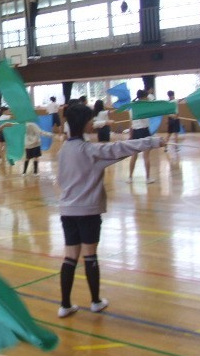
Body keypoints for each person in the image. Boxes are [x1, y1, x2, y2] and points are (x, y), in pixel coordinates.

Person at [56, 104, 163, 318]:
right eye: (90, 120)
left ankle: (65, 305)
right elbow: (118, 149)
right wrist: (153, 142)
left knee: (70, 257)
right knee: (89, 256)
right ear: (84, 123)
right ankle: (95, 301)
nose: (93, 123)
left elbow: (115, 153)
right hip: (88, 212)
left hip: (67, 212)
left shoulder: (63, 151)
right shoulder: (91, 151)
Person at [127, 90, 155, 184]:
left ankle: (130, 177)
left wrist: (130, 135)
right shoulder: (145, 107)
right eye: (146, 97)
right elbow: (151, 99)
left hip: (135, 132)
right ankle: (147, 178)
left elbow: (130, 123)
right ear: (144, 97)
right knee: (146, 156)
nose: (147, 98)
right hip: (144, 131)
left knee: (134, 156)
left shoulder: (132, 107)